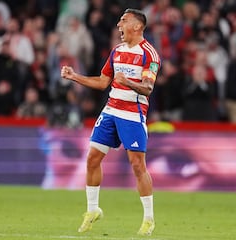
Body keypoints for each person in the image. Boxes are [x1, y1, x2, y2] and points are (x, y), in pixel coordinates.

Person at [60, 8, 161, 236]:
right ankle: (93, 210)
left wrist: (128, 82)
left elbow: (148, 88)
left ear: (137, 26)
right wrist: (74, 76)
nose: (118, 25)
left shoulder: (149, 55)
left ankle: (148, 218)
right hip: (111, 110)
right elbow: (103, 82)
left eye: (123, 21)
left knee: (137, 165)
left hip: (132, 114)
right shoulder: (116, 51)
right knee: (92, 158)